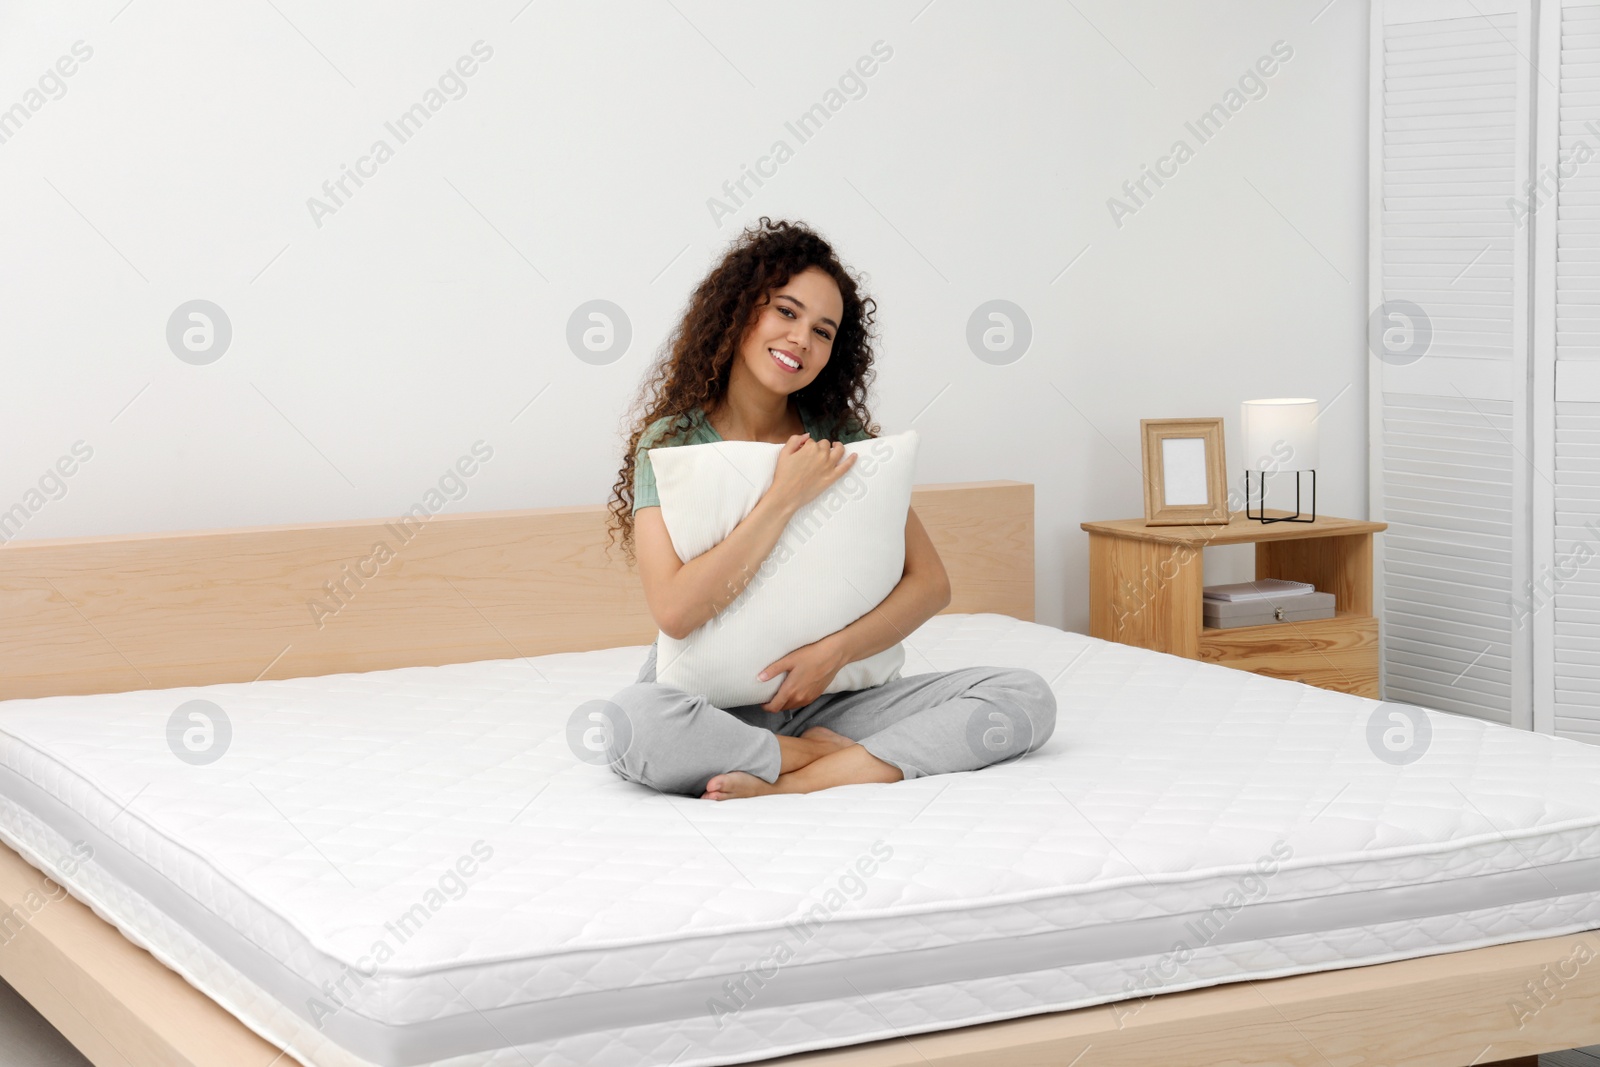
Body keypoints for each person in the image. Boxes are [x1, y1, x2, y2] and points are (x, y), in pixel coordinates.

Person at [602, 217, 1055, 800]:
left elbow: (931, 585)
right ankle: (810, 757)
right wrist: (784, 496)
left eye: (823, 331)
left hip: (832, 701)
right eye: (786, 313)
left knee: (1025, 697)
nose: (801, 340)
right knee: (631, 725)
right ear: (740, 311)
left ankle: (807, 777)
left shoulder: (842, 438)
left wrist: (830, 656)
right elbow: (676, 611)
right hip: (709, 709)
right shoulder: (671, 442)